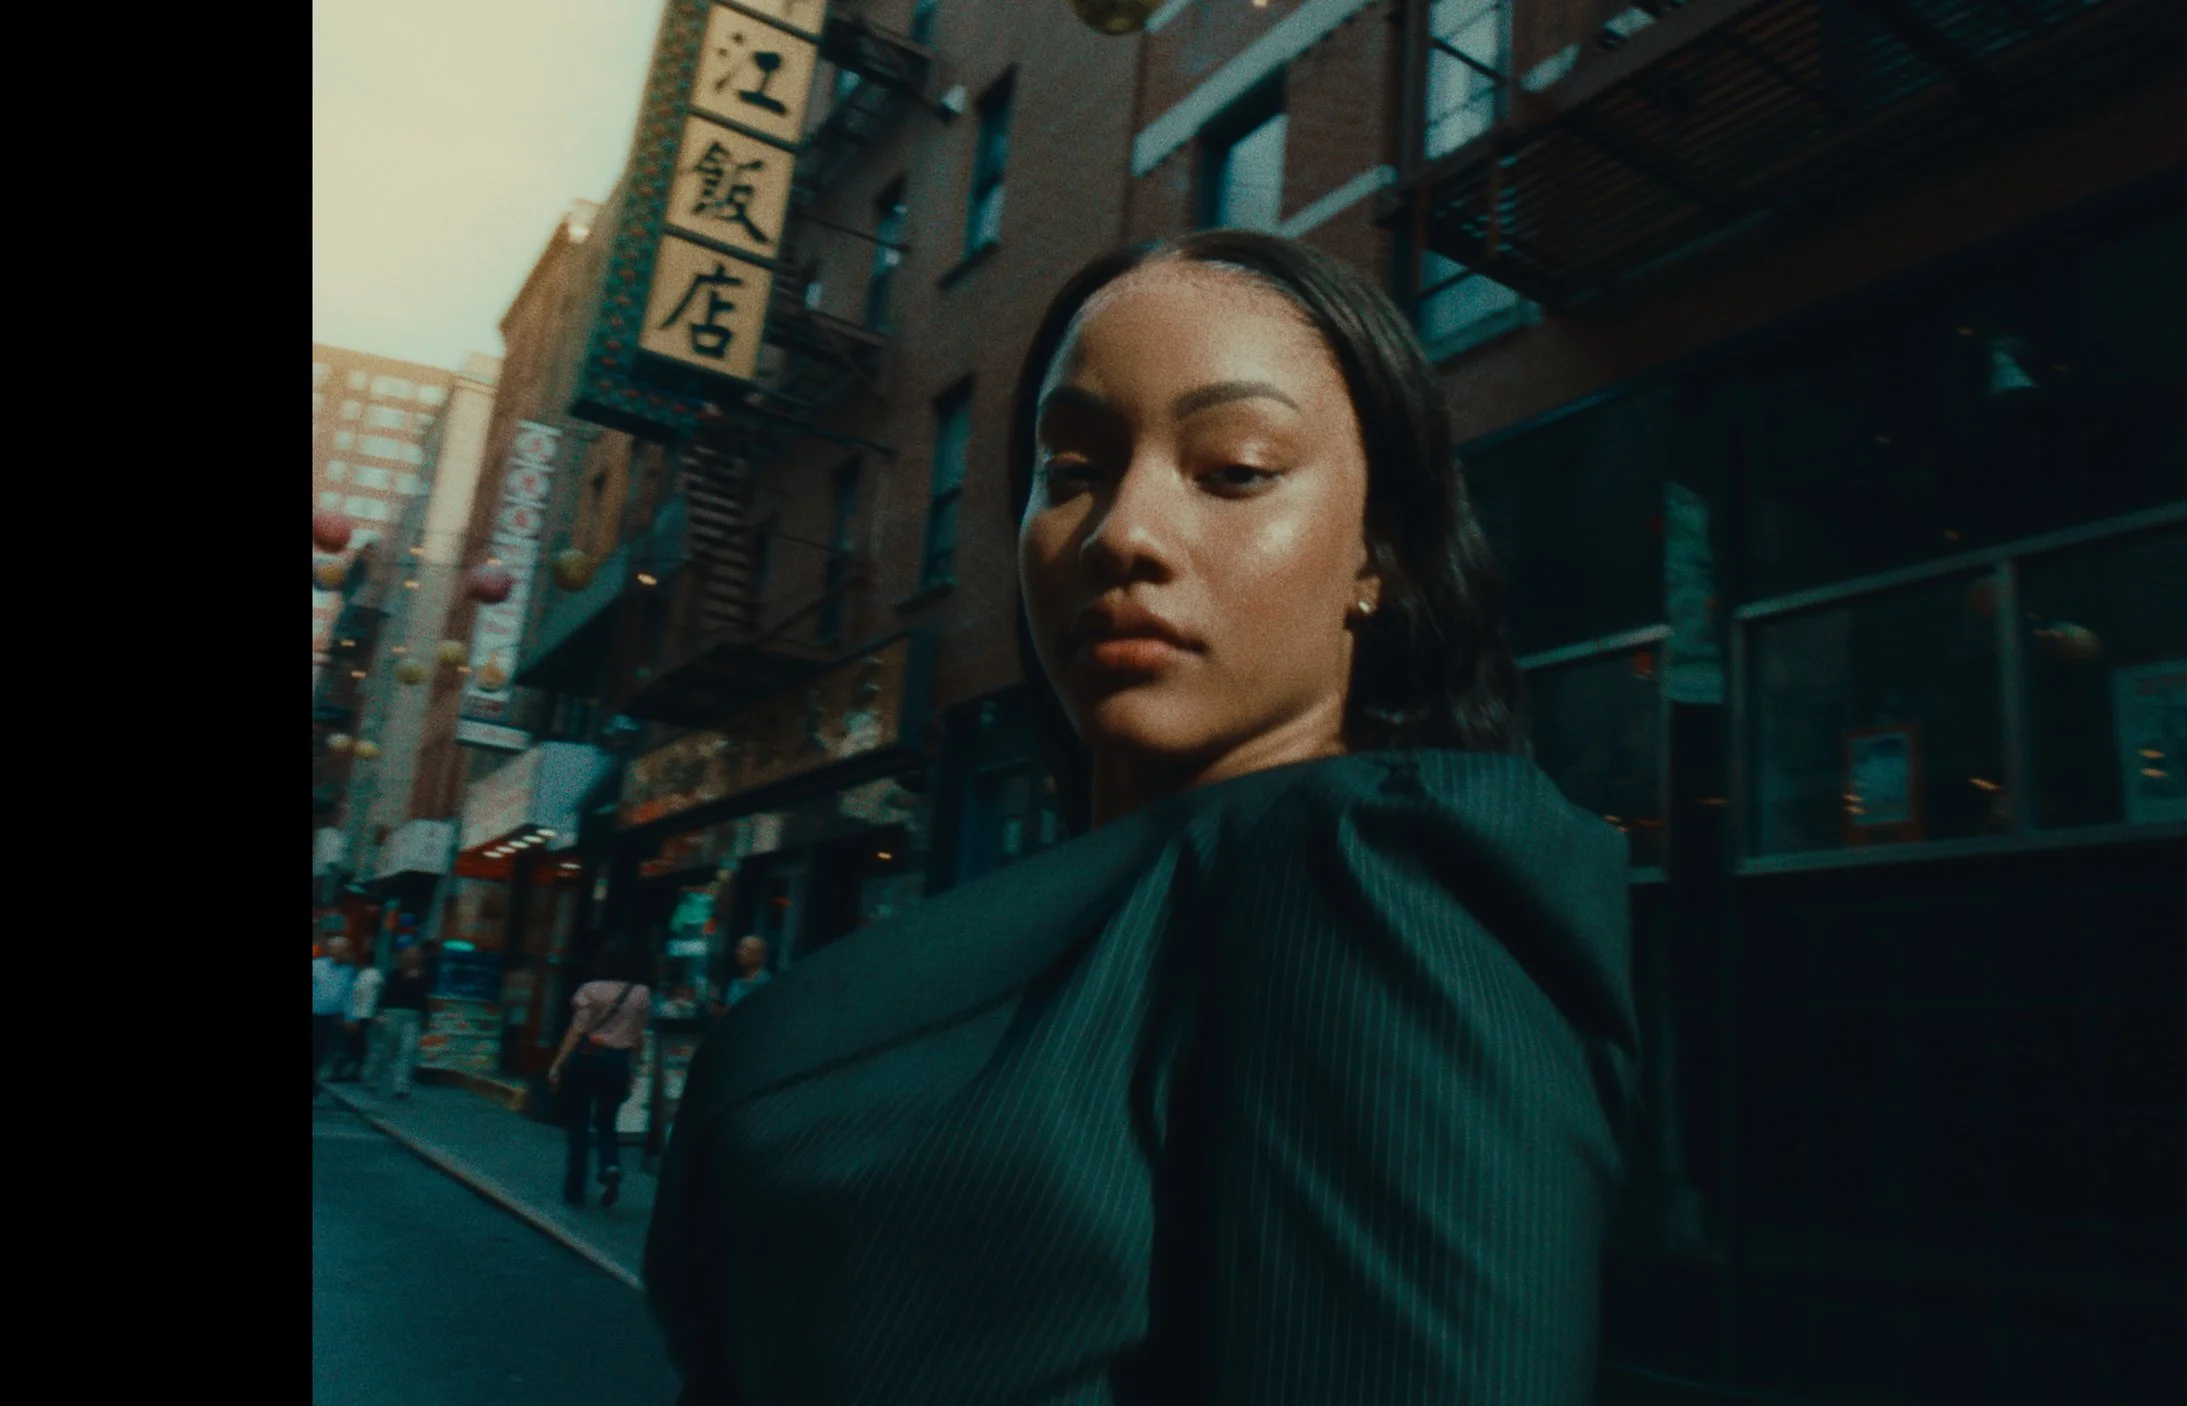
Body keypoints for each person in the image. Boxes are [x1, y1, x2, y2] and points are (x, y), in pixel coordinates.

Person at [645, 230, 1641, 1403]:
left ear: (1380, 557)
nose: (1122, 531)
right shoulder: (1094, 920)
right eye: (1069, 472)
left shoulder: (1368, 885)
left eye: (1234, 468)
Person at [550, 942, 653, 1209]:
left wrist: (558, 1062)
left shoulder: (591, 990)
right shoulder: (642, 993)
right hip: (619, 1061)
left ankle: (575, 1190)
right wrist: (636, 1067)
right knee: (607, 1120)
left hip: (588, 1057)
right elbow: (639, 1035)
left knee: (580, 1124)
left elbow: (577, 1029)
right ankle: (610, 1165)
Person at [364, 943, 432, 1098]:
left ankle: (401, 1084)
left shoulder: (425, 976)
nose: (413, 957)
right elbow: (384, 995)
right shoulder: (394, 974)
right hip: (391, 1014)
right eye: (410, 953)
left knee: (408, 1050)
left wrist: (426, 1018)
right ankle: (372, 1077)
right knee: (385, 1050)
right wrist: (378, 1013)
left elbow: (425, 1000)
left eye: (416, 954)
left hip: (413, 1016)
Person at [310, 936, 357, 1101]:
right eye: (339, 949)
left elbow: (348, 995)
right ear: (331, 950)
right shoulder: (317, 966)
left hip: (329, 1017)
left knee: (320, 1051)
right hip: (313, 1014)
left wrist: (350, 1017)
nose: (342, 952)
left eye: (345, 949)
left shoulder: (348, 970)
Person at [332, 953, 385, 1082]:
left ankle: (341, 1072)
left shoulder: (364, 976)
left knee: (349, 1045)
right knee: (358, 1045)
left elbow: (357, 995)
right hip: (365, 1014)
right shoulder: (376, 976)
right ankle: (355, 1071)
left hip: (358, 1014)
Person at [707, 936, 771, 1018]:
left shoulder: (766, 985)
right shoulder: (735, 983)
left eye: (746, 949)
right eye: (739, 948)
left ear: (760, 955)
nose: (739, 952)